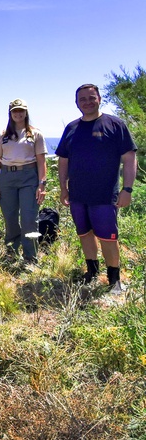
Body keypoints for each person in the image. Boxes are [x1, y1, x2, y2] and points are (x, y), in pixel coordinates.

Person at [56, 84, 137, 293]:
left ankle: (114, 279)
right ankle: (91, 271)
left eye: (91, 98)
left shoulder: (115, 125)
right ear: (76, 103)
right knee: (84, 234)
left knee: (108, 237)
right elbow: (63, 160)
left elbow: (129, 158)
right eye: (82, 99)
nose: (87, 102)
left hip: (104, 195)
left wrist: (127, 189)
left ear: (99, 99)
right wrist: (63, 188)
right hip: (77, 194)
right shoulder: (72, 128)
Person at [0, 99, 48, 263]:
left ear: (26, 112)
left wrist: (42, 184)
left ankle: (30, 257)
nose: (18, 113)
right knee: (10, 217)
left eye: (21, 110)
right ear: (10, 113)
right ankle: (11, 253)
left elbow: (41, 161)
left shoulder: (35, 134)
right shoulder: (3, 135)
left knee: (29, 218)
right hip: (7, 178)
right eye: (15, 111)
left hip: (29, 176)